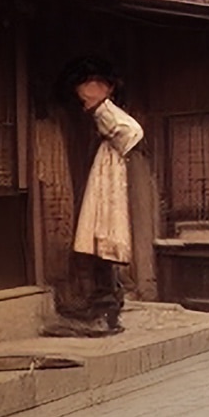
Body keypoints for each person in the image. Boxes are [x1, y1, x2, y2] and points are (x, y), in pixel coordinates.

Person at [55, 57, 144, 336]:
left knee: (107, 251)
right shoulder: (103, 135)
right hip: (104, 189)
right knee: (100, 252)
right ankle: (103, 309)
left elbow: (131, 132)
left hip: (113, 192)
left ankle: (107, 312)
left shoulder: (116, 121)